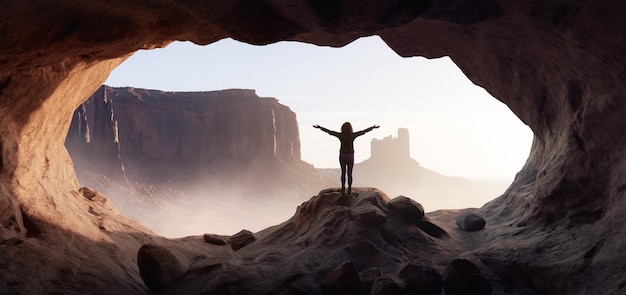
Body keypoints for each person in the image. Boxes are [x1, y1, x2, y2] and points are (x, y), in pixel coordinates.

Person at [313, 122, 379, 195]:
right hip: (350, 155)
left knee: (343, 172)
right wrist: (372, 128)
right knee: (350, 173)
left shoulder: (341, 135)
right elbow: (363, 132)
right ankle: (349, 189)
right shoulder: (352, 135)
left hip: (343, 155)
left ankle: (343, 188)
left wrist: (320, 128)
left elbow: (330, 132)